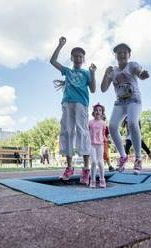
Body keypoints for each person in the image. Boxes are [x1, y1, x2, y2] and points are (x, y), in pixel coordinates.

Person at [50, 36, 96, 185]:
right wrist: (60, 45)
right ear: (72, 58)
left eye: (80, 56)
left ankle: (86, 169)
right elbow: (53, 61)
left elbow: (94, 89)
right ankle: (69, 167)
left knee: (82, 131)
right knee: (67, 131)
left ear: (83, 59)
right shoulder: (68, 71)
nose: (78, 58)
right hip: (67, 103)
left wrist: (93, 73)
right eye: (75, 56)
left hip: (81, 104)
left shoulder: (86, 73)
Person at [101, 43, 150, 175]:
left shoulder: (132, 65)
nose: (122, 54)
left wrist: (143, 74)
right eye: (119, 53)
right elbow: (103, 89)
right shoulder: (113, 71)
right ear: (115, 55)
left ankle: (138, 159)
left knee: (133, 123)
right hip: (120, 103)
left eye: (125, 52)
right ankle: (123, 156)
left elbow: (140, 73)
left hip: (134, 100)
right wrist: (106, 75)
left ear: (129, 55)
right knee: (111, 127)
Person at [89, 103, 107, 188]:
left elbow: (103, 133)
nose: (98, 111)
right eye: (96, 110)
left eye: (100, 110)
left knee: (100, 162)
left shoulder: (103, 123)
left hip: (100, 145)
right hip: (92, 144)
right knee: (93, 162)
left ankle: (102, 179)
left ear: (102, 112)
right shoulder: (90, 122)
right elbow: (87, 132)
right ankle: (92, 180)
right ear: (93, 112)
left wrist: (105, 139)